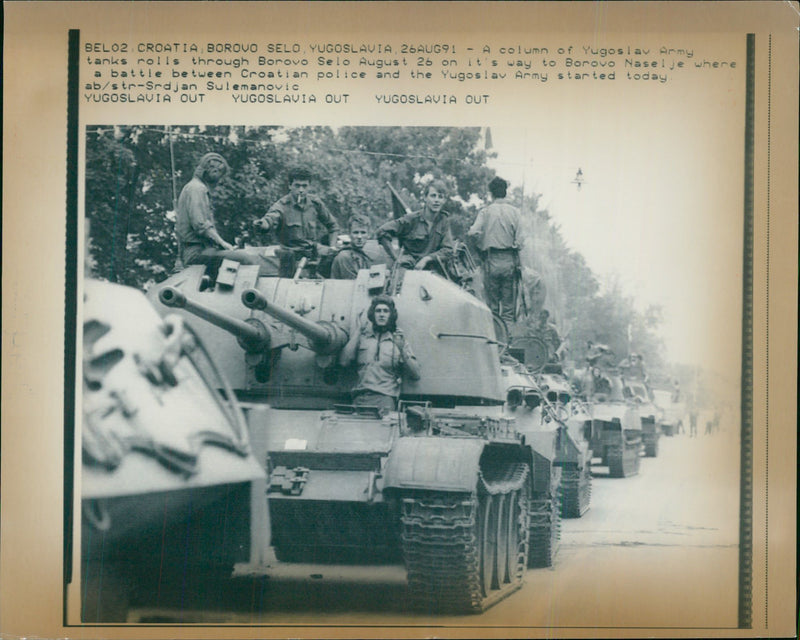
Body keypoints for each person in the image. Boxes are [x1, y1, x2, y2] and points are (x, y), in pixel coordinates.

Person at [175, 152, 271, 273]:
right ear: (211, 171)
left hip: (201, 249)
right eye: (218, 173)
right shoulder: (197, 189)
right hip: (196, 252)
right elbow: (200, 224)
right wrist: (223, 243)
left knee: (241, 256)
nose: (219, 180)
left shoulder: (195, 187)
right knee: (246, 259)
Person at [338, 295, 421, 413]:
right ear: (372, 314)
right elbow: (344, 361)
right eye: (378, 311)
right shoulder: (362, 339)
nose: (381, 314)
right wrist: (358, 330)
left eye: (386, 311)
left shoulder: (398, 341)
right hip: (359, 398)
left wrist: (402, 349)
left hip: (385, 400)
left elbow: (416, 374)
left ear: (391, 315)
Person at [467, 176, 523, 323]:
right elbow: (521, 242)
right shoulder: (515, 212)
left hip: (491, 261)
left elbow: (472, 233)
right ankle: (507, 341)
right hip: (510, 262)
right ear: (505, 192)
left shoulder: (485, 212)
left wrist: (481, 243)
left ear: (491, 193)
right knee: (509, 309)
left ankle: (494, 340)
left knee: (492, 308)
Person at [376, 179, 454, 271]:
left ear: (444, 200)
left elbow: (448, 250)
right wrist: (396, 258)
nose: (436, 200)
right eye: (433, 196)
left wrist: (426, 259)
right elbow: (382, 231)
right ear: (425, 198)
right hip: (408, 269)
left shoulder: (443, 221)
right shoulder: (411, 219)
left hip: (432, 271)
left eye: (440, 197)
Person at [254, 166, 339, 249]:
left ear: (309, 186)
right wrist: (262, 224)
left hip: (312, 251)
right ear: (290, 186)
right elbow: (270, 219)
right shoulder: (282, 206)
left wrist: (332, 247)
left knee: (339, 257)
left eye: (304, 186)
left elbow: (333, 225)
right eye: (297, 186)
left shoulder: (315, 203)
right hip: (290, 253)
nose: (301, 190)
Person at [330, 214, 374, 279]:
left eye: (363, 232)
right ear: (349, 234)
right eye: (355, 232)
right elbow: (353, 283)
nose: (359, 237)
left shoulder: (362, 255)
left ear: (368, 235)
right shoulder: (345, 256)